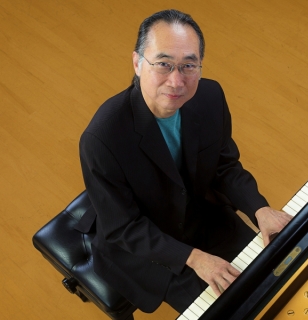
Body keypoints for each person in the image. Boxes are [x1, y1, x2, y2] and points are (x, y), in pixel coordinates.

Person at [77, 9, 292, 314]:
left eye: (188, 65)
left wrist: (260, 208)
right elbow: (124, 228)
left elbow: (224, 165)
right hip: (147, 242)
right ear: (138, 63)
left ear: (200, 67)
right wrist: (195, 258)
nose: (177, 81)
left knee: (278, 272)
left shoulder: (209, 97)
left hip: (201, 215)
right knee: (230, 310)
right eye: (163, 64)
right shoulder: (102, 138)